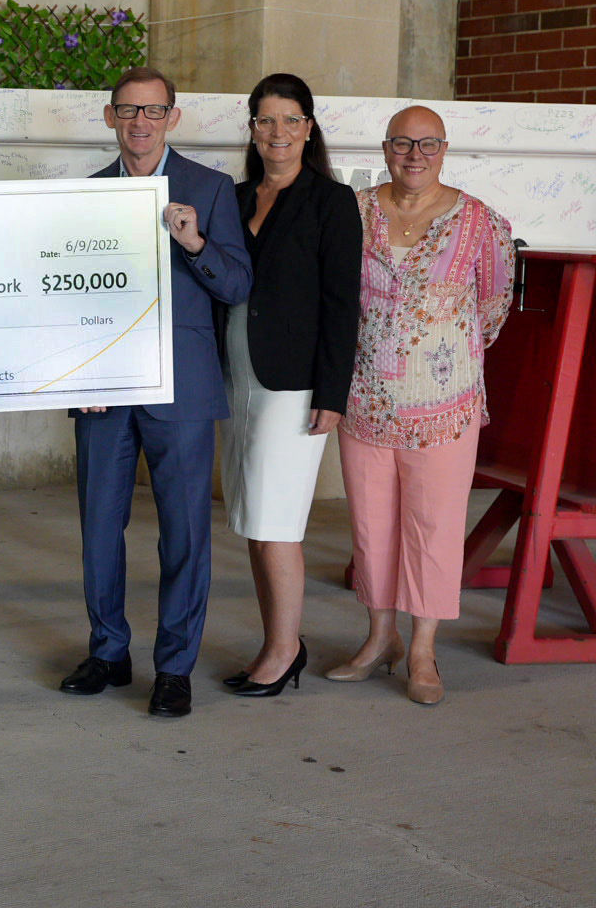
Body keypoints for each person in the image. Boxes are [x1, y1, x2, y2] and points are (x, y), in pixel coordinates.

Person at [59, 65, 251, 718]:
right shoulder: (86, 196)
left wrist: (193, 240)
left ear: (172, 117)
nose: (139, 123)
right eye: (127, 111)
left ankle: (175, 666)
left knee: (186, 535)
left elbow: (236, 285)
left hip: (183, 391)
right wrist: (77, 378)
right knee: (98, 527)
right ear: (110, 118)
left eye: (152, 111)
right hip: (105, 392)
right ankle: (108, 650)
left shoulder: (211, 188)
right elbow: (67, 299)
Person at [328, 105, 514, 705]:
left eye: (427, 144)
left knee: (433, 526)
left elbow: (492, 306)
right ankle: (380, 636)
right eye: (403, 144)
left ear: (445, 148)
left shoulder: (479, 220)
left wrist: (437, 352)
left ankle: (424, 649)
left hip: (444, 404)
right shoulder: (352, 211)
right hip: (363, 399)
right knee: (371, 525)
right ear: (384, 149)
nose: (415, 155)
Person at [218, 73, 361, 698]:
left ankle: (284, 651)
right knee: (253, 513)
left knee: (277, 519)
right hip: (240, 374)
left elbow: (342, 304)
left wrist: (333, 393)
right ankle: (276, 641)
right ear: (253, 129)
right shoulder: (236, 195)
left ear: (309, 127)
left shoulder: (331, 201)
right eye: (265, 120)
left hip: (296, 384)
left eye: (290, 119)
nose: (278, 132)